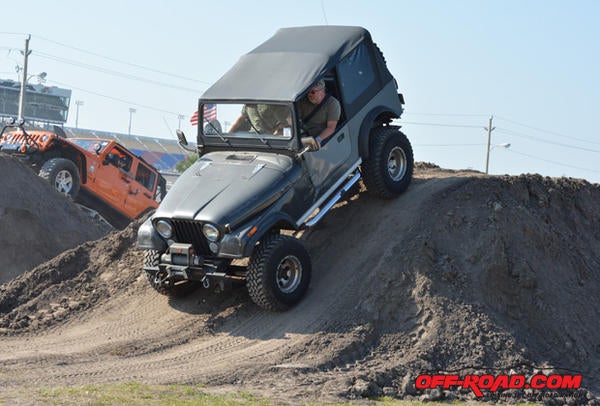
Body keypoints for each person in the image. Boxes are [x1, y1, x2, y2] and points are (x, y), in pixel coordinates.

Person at [297, 79, 341, 150]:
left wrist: (317, 140)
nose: (309, 94)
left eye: (313, 92)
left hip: (321, 138)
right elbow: (295, 119)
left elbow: (331, 128)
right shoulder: (303, 101)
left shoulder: (333, 104)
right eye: (308, 91)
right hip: (303, 135)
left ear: (322, 91)